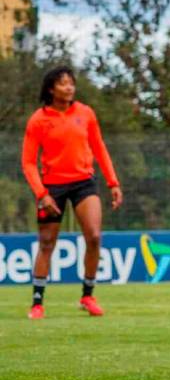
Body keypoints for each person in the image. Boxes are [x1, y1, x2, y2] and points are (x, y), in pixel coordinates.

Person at [21, 66, 123, 319]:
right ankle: (37, 303)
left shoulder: (86, 113)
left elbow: (99, 148)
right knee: (46, 244)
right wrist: (41, 193)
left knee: (95, 237)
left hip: (83, 183)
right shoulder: (38, 120)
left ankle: (88, 296)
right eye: (63, 83)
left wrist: (113, 182)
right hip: (51, 187)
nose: (69, 87)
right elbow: (28, 162)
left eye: (71, 83)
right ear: (51, 89)